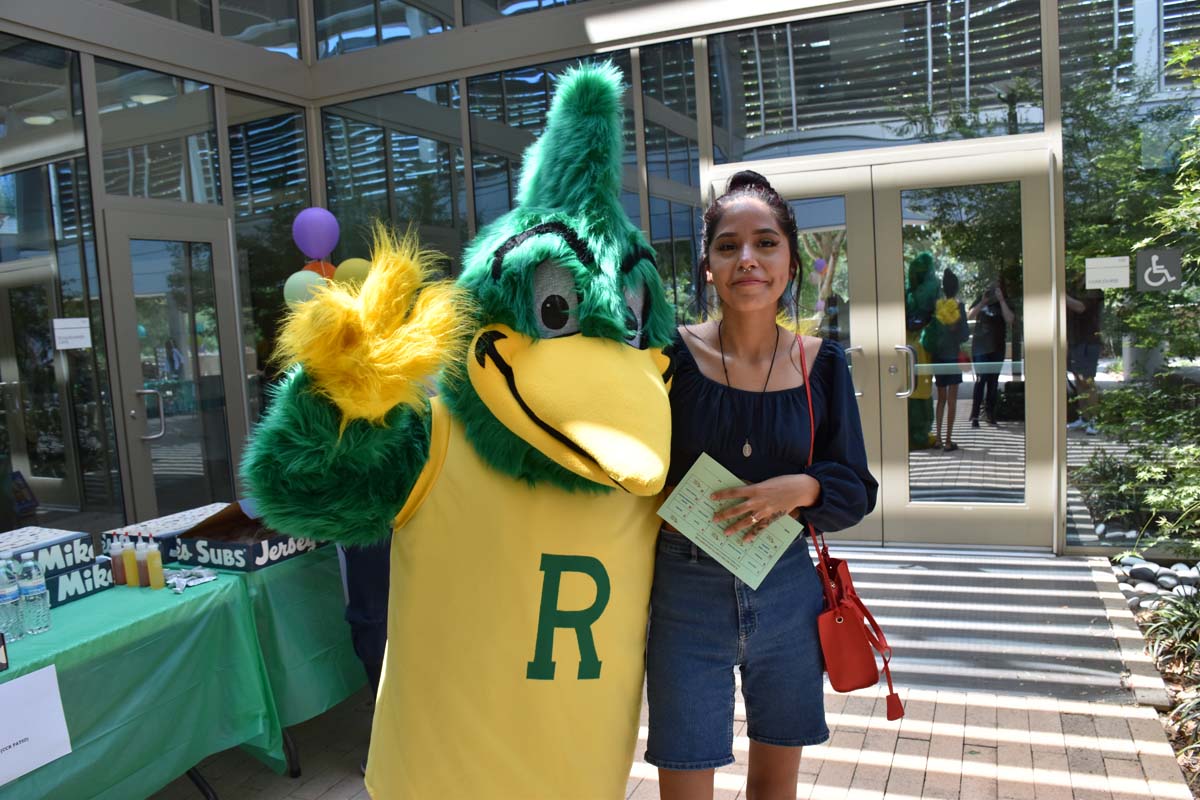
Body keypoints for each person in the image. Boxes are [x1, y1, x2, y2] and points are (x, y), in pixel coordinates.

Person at [646, 170, 878, 800]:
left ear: (789, 260)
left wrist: (798, 489)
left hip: (787, 588)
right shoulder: (665, 358)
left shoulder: (821, 364)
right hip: (684, 592)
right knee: (685, 775)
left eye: (766, 242)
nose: (747, 258)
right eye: (728, 245)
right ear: (708, 265)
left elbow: (857, 486)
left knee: (775, 788)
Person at [924, 268, 968, 451]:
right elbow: (964, 335)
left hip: (939, 357)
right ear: (956, 288)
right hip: (953, 357)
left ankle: (940, 439)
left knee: (940, 399)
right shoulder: (959, 308)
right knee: (952, 400)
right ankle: (949, 440)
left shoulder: (938, 307)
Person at [967, 280, 1014, 427]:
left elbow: (1010, 319)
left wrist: (1001, 300)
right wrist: (982, 302)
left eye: (997, 288)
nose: (993, 291)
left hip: (997, 347)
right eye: (991, 288)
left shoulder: (1005, 302)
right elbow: (969, 316)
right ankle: (975, 415)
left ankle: (990, 414)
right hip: (980, 347)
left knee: (993, 382)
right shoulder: (982, 298)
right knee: (981, 380)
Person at [1066, 286, 1103, 435]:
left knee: (1088, 381)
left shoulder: (1093, 288)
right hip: (1075, 340)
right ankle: (1085, 418)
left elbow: (1080, 307)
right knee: (1078, 380)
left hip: (1089, 341)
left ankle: (1095, 420)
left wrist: (1059, 293)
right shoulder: (1073, 287)